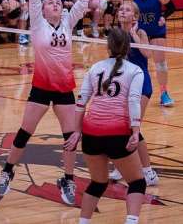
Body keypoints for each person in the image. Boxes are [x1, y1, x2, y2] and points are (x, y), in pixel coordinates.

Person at [0, 0, 89, 205]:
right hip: (41, 87)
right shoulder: (38, 23)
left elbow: (84, 1)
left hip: (64, 89)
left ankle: (68, 179)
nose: (56, 4)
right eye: (51, 3)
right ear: (44, 10)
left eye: (58, 2)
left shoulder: (69, 21)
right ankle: (7, 171)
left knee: (70, 137)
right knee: (25, 132)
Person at [73, 27, 146, 224]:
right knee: (137, 182)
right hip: (117, 134)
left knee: (98, 183)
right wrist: (136, 131)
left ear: (108, 47)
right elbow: (133, 101)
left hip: (91, 134)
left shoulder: (95, 67)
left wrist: (76, 131)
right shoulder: (135, 70)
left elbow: (81, 102)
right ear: (129, 47)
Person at [108, 1, 160, 186]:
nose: (122, 11)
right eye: (121, 9)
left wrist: (131, 34)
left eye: (127, 9)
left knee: (133, 127)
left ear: (135, 17)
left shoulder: (140, 32)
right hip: (124, 84)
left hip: (142, 84)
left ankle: (148, 172)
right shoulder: (115, 34)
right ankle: (121, 167)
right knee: (120, 127)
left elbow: (147, 54)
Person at [125, 0, 176, 107]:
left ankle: (164, 93)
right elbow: (124, 11)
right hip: (139, 33)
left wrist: (164, 17)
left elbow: (172, 7)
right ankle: (131, 92)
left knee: (160, 63)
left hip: (156, 31)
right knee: (136, 64)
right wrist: (128, 29)